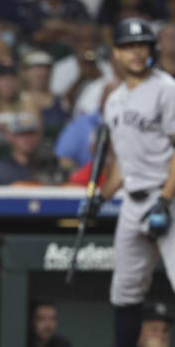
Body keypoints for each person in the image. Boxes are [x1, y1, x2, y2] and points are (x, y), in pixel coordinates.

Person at [95, 18, 175, 347]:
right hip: (133, 201)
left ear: (151, 49)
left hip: (167, 196)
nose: (136, 53)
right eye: (128, 46)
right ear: (116, 53)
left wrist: (165, 201)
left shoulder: (166, 88)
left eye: (141, 45)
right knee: (125, 292)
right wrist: (99, 198)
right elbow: (121, 164)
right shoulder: (114, 99)